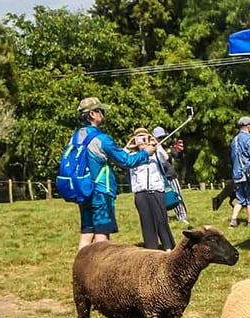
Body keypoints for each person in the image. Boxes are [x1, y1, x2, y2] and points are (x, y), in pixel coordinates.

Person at [74, 97, 151, 250]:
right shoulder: (101, 139)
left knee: (87, 232)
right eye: (101, 111)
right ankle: (98, 271)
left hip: (83, 189)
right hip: (101, 191)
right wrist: (146, 153)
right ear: (92, 114)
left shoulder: (76, 136)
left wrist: (126, 148)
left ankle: (80, 269)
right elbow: (126, 161)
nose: (103, 114)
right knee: (102, 234)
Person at [127, 128, 175, 251]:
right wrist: (128, 147)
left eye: (144, 137)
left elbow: (165, 157)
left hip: (157, 191)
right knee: (147, 223)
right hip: (141, 193)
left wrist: (156, 144)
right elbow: (122, 160)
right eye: (139, 138)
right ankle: (151, 249)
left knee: (162, 221)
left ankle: (168, 248)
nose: (142, 141)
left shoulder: (156, 153)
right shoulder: (133, 156)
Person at [230, 115, 250, 228]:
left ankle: (233, 220)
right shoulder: (249, 139)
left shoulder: (234, 140)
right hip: (249, 173)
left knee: (240, 199)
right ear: (248, 126)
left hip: (237, 173)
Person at [153, 125, 189, 224]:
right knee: (162, 198)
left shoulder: (168, 147)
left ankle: (182, 216)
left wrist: (179, 151)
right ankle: (164, 218)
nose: (162, 139)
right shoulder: (152, 148)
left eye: (163, 137)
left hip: (171, 175)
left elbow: (176, 156)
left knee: (177, 195)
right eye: (160, 137)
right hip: (159, 177)